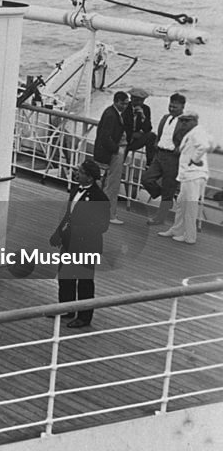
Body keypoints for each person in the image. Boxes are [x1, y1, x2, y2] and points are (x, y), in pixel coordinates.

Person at [49, 160, 110, 328]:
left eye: (81, 172)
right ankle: (66, 308)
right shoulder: (76, 190)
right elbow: (68, 214)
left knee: (84, 281)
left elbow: (102, 226)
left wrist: (78, 230)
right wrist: (58, 233)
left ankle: (84, 316)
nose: (77, 174)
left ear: (90, 177)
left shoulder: (99, 198)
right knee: (65, 277)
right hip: (70, 243)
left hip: (87, 245)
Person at [158, 112, 213, 245]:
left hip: (194, 174)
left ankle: (190, 236)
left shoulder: (197, 132)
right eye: (182, 121)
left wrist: (194, 160)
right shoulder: (193, 132)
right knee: (182, 204)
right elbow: (210, 143)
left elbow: (205, 146)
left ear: (194, 121)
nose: (183, 124)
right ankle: (177, 230)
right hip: (188, 175)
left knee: (190, 205)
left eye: (186, 121)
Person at [141, 93, 185, 225]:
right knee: (146, 179)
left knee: (168, 188)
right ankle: (167, 199)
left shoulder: (186, 122)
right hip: (159, 155)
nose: (171, 108)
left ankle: (159, 218)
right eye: (170, 105)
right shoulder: (165, 118)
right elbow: (159, 134)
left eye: (175, 107)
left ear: (182, 106)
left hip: (173, 158)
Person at [93, 91, 128, 225]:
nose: (125, 106)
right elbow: (105, 136)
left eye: (126, 103)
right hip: (114, 153)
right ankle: (109, 214)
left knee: (107, 183)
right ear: (116, 101)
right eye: (123, 103)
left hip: (112, 152)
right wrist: (116, 149)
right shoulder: (111, 115)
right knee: (112, 185)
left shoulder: (111, 113)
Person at [122, 87, 154, 162]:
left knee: (151, 136)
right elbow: (120, 125)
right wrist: (132, 134)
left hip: (134, 140)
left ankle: (149, 163)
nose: (139, 103)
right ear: (131, 98)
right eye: (137, 100)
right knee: (118, 161)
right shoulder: (125, 108)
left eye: (141, 101)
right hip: (123, 139)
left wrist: (143, 118)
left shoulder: (146, 109)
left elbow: (148, 129)